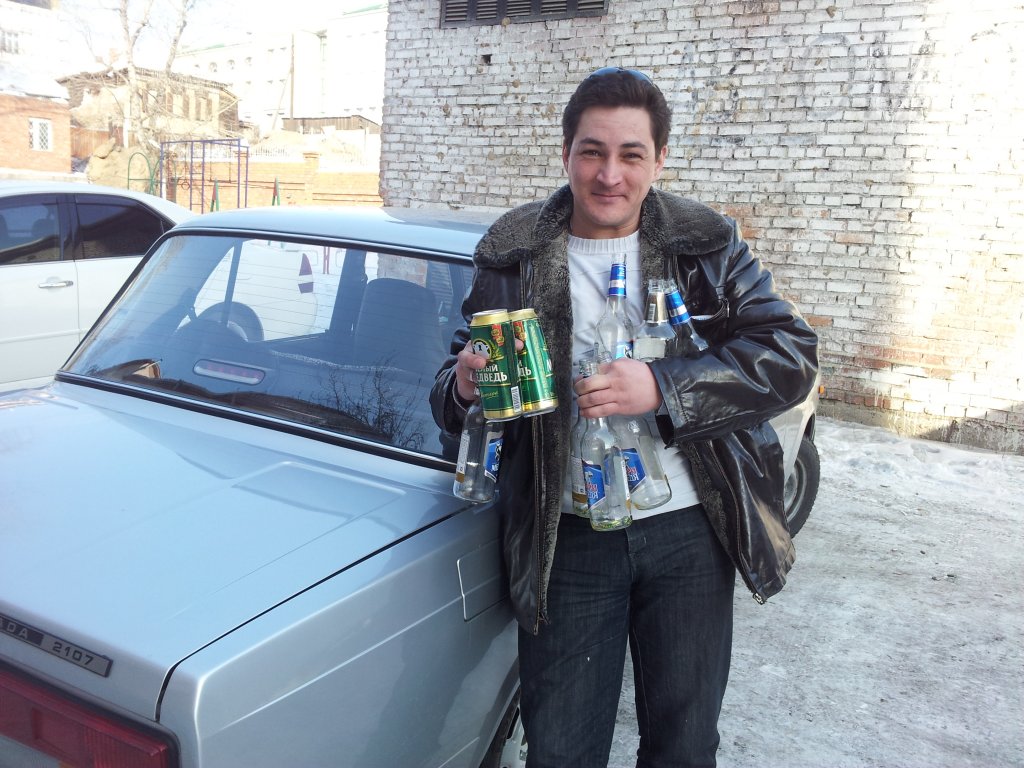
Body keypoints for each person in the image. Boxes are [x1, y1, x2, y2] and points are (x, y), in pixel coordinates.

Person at [430, 67, 819, 768]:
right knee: (561, 749)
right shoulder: (513, 253)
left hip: (688, 529)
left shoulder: (706, 245)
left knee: (684, 745)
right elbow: (455, 394)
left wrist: (666, 387)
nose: (609, 175)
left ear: (659, 160)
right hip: (567, 536)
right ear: (566, 154)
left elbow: (790, 355)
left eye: (631, 154)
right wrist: (462, 387)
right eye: (592, 152)